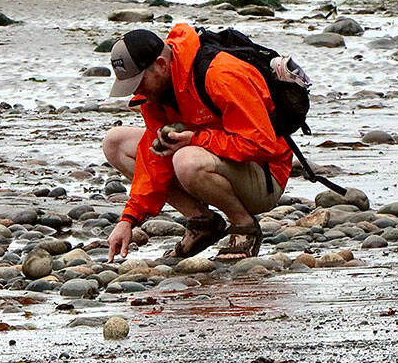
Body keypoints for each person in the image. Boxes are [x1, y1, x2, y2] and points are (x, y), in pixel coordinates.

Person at [102, 24, 292, 261]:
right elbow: (153, 161)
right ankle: (203, 222)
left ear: (161, 64)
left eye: (139, 82)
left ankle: (245, 227)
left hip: (265, 175)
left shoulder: (221, 74)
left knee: (186, 159)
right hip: (218, 160)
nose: (136, 92)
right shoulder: (155, 95)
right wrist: (128, 219)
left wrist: (196, 139)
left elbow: (261, 144)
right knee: (116, 143)